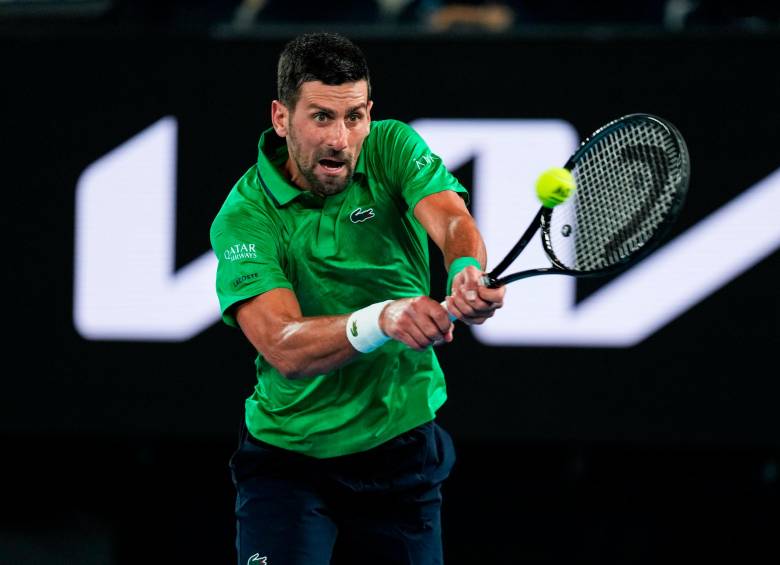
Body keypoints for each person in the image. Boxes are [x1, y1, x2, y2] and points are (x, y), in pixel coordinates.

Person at [210, 32, 505, 565]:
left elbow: (452, 219)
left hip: (401, 452)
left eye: (354, 117)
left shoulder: (392, 146)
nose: (341, 139)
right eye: (321, 117)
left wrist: (464, 270)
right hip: (291, 462)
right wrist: (385, 318)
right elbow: (284, 346)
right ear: (281, 117)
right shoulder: (245, 217)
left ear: (370, 113)